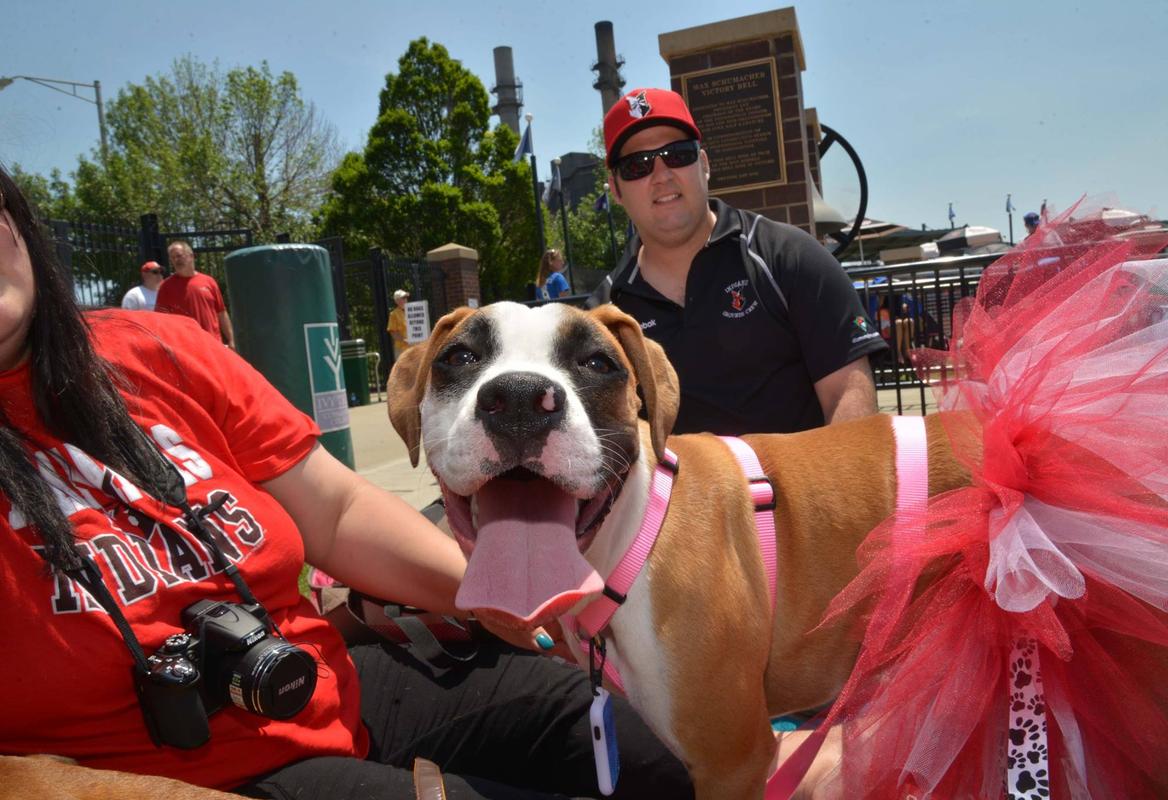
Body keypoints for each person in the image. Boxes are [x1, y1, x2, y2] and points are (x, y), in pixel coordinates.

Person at [0, 164, 692, 800]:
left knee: (641, 757)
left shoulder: (155, 348)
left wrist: (499, 595)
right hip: (170, 777)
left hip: (317, 687)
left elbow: (332, 512)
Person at [587, 87, 887, 436]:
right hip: (681, 493)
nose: (662, 175)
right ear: (616, 190)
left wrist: (838, 488)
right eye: (637, 166)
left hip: (802, 489)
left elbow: (848, 395)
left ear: (703, 165)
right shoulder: (606, 313)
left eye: (678, 155)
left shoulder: (790, 257)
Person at [154, 240, 235, 347]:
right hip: (186, 347)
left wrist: (231, 339)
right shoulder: (166, 287)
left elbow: (221, 312)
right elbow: (161, 320)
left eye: (179, 256)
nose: (176, 260)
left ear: (191, 256)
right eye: (172, 258)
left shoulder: (209, 281)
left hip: (213, 344)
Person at [387, 288, 410, 358]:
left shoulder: (411, 311)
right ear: (397, 301)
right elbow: (393, 333)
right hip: (401, 349)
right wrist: (405, 340)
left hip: (413, 347)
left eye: (406, 297)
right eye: (403, 298)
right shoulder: (394, 314)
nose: (405, 299)